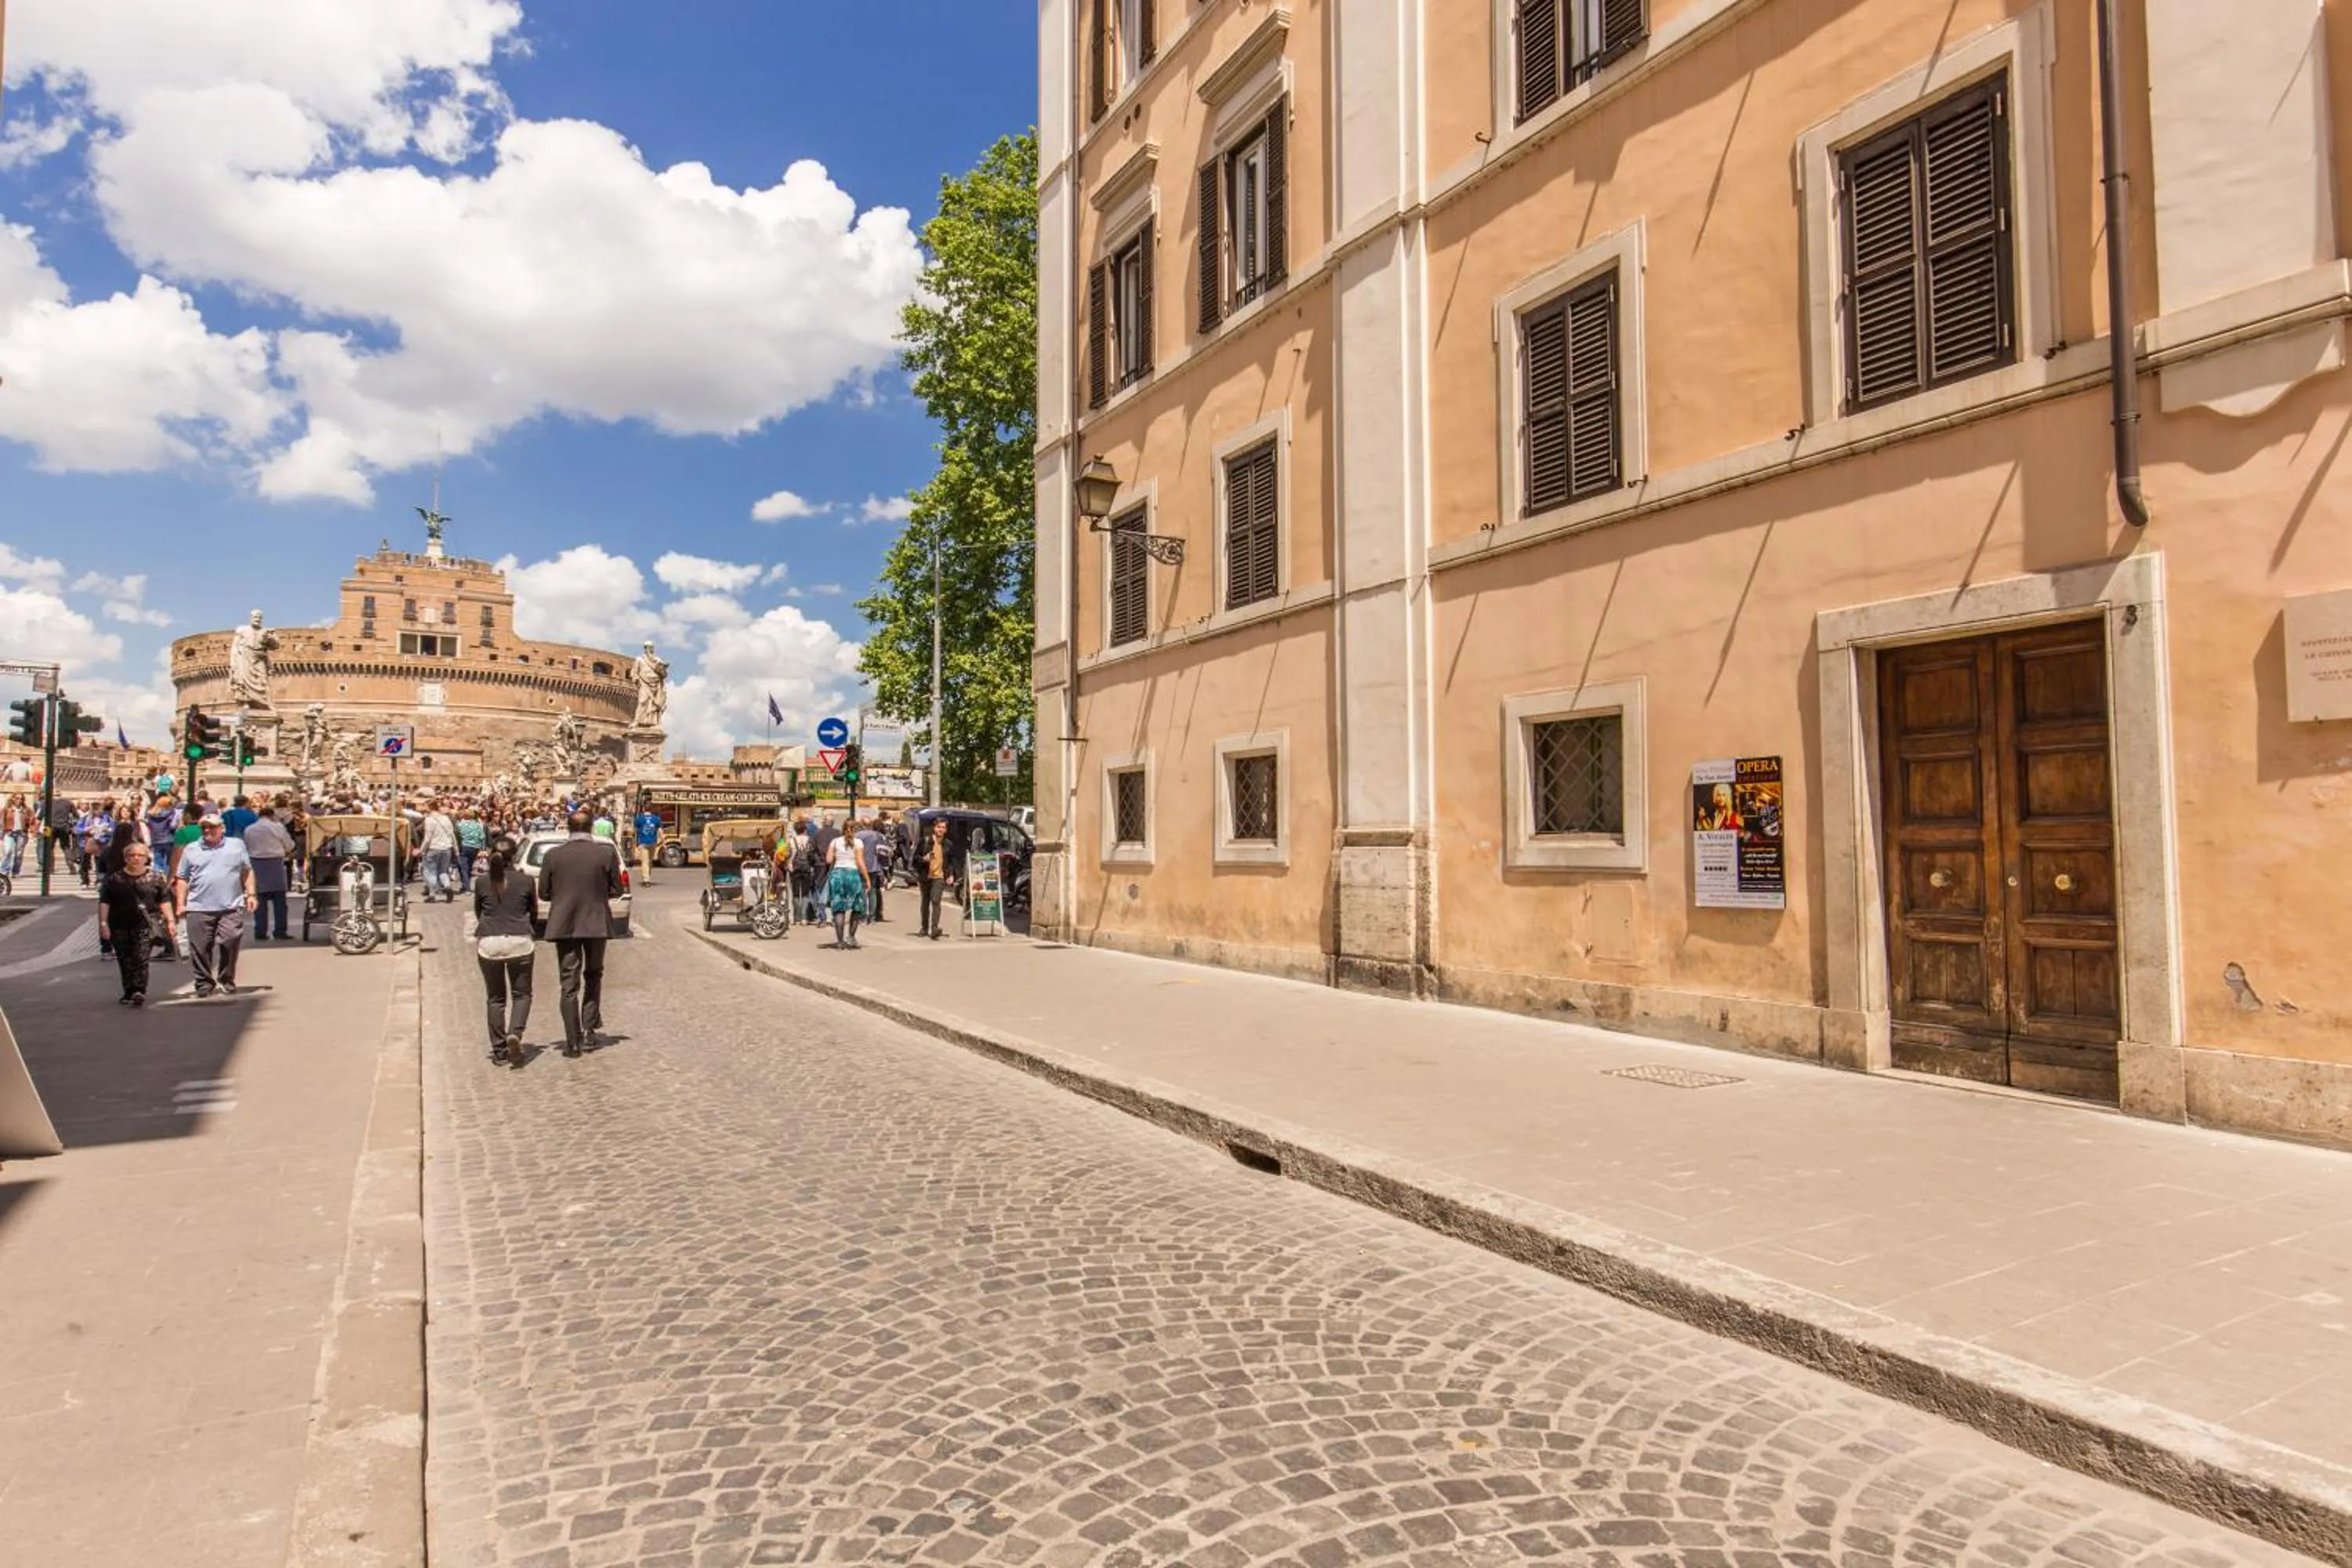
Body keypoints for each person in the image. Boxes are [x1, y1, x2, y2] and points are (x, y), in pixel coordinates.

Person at [539, 809, 621, 1057]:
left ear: (568, 828)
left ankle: (572, 1040)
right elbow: (617, 889)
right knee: (594, 976)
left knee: (568, 983)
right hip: (596, 923)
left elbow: (544, 892)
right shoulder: (605, 853)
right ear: (592, 828)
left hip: (564, 924)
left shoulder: (553, 855)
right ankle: (589, 1031)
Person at [470, 834, 538, 1067]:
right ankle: (515, 1033)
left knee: (495, 997)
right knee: (522, 994)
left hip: (490, 941)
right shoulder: (526, 881)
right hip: (519, 939)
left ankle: (499, 1050)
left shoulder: (481, 882)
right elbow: (534, 912)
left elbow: (478, 911)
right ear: (515, 855)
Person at [173, 813, 256, 997]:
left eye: (212, 827)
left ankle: (226, 978)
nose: (207, 831)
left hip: (230, 905)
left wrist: (251, 894)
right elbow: (182, 878)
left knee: (231, 940)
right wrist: (180, 903)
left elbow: (247, 871)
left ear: (222, 828)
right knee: (200, 947)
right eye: (204, 828)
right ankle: (203, 982)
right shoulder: (191, 849)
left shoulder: (237, 845)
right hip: (198, 906)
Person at [97, 842, 177, 1007]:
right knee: (125, 959)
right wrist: (103, 924)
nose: (136, 859)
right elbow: (104, 902)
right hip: (119, 924)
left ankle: (139, 990)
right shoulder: (114, 879)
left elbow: (164, 900)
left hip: (145, 925)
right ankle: (129, 990)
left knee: (141, 958)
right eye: (132, 855)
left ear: (146, 858)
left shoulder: (155, 878)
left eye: (140, 855)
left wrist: (170, 920)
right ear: (126, 858)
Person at [244, 803, 296, 941]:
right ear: (272, 816)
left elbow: (247, 846)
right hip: (275, 863)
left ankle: (260, 931)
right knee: (280, 902)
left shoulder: (249, 829)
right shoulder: (278, 827)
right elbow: (290, 845)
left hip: (256, 863)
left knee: (260, 900)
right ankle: (280, 930)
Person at [823, 818, 870, 949]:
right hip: (852, 875)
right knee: (856, 907)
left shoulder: (835, 842)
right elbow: (860, 862)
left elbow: (828, 860)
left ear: (843, 829)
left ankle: (839, 941)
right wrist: (867, 879)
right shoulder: (858, 843)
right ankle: (851, 937)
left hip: (837, 875)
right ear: (855, 830)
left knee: (839, 909)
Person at [916, 815, 959, 940]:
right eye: (938, 827)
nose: (940, 830)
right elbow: (914, 858)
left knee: (936, 901)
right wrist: (924, 859)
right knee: (925, 902)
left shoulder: (948, 844)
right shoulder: (925, 841)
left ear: (946, 830)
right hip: (925, 876)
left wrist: (951, 874)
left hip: (939, 877)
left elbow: (950, 861)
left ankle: (934, 928)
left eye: (943, 828)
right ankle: (924, 928)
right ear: (934, 828)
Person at [419, 800, 459, 902]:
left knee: (430, 872)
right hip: (447, 848)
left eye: (425, 806)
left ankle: (432, 895)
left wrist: (421, 850)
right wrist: (456, 849)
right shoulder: (446, 818)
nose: (424, 808)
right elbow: (452, 834)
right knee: (443, 871)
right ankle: (448, 887)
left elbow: (428, 838)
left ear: (430, 807)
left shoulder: (429, 820)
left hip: (434, 848)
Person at [856, 816, 888, 923]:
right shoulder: (877, 835)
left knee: (862, 891)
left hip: (861, 866)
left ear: (862, 824)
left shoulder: (858, 836)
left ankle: (863, 915)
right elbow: (883, 850)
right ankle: (873, 916)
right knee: (873, 891)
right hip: (874, 866)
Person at [455, 804, 486, 886]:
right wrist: (482, 849)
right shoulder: (477, 825)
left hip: (464, 846)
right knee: (469, 866)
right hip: (475, 847)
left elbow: (457, 835)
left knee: (463, 867)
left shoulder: (460, 825)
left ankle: (466, 886)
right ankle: (465, 884)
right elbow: (482, 837)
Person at [1, 792, 27, 877]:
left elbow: (32, 821)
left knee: (19, 854)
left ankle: (16, 872)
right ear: (13, 799)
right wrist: (2, 832)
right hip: (9, 833)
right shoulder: (6, 809)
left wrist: (32, 832)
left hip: (21, 834)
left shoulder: (26, 810)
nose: (19, 800)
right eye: (17, 798)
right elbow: (1, 821)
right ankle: (4, 871)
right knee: (8, 851)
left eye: (21, 799)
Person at [633, 802, 660, 885]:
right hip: (653, 842)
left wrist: (636, 841)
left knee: (644, 862)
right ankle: (648, 877)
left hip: (643, 842)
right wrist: (663, 842)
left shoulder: (639, 819)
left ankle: (646, 879)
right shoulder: (656, 819)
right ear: (651, 810)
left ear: (643, 809)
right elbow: (660, 830)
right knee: (650, 861)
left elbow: (636, 830)